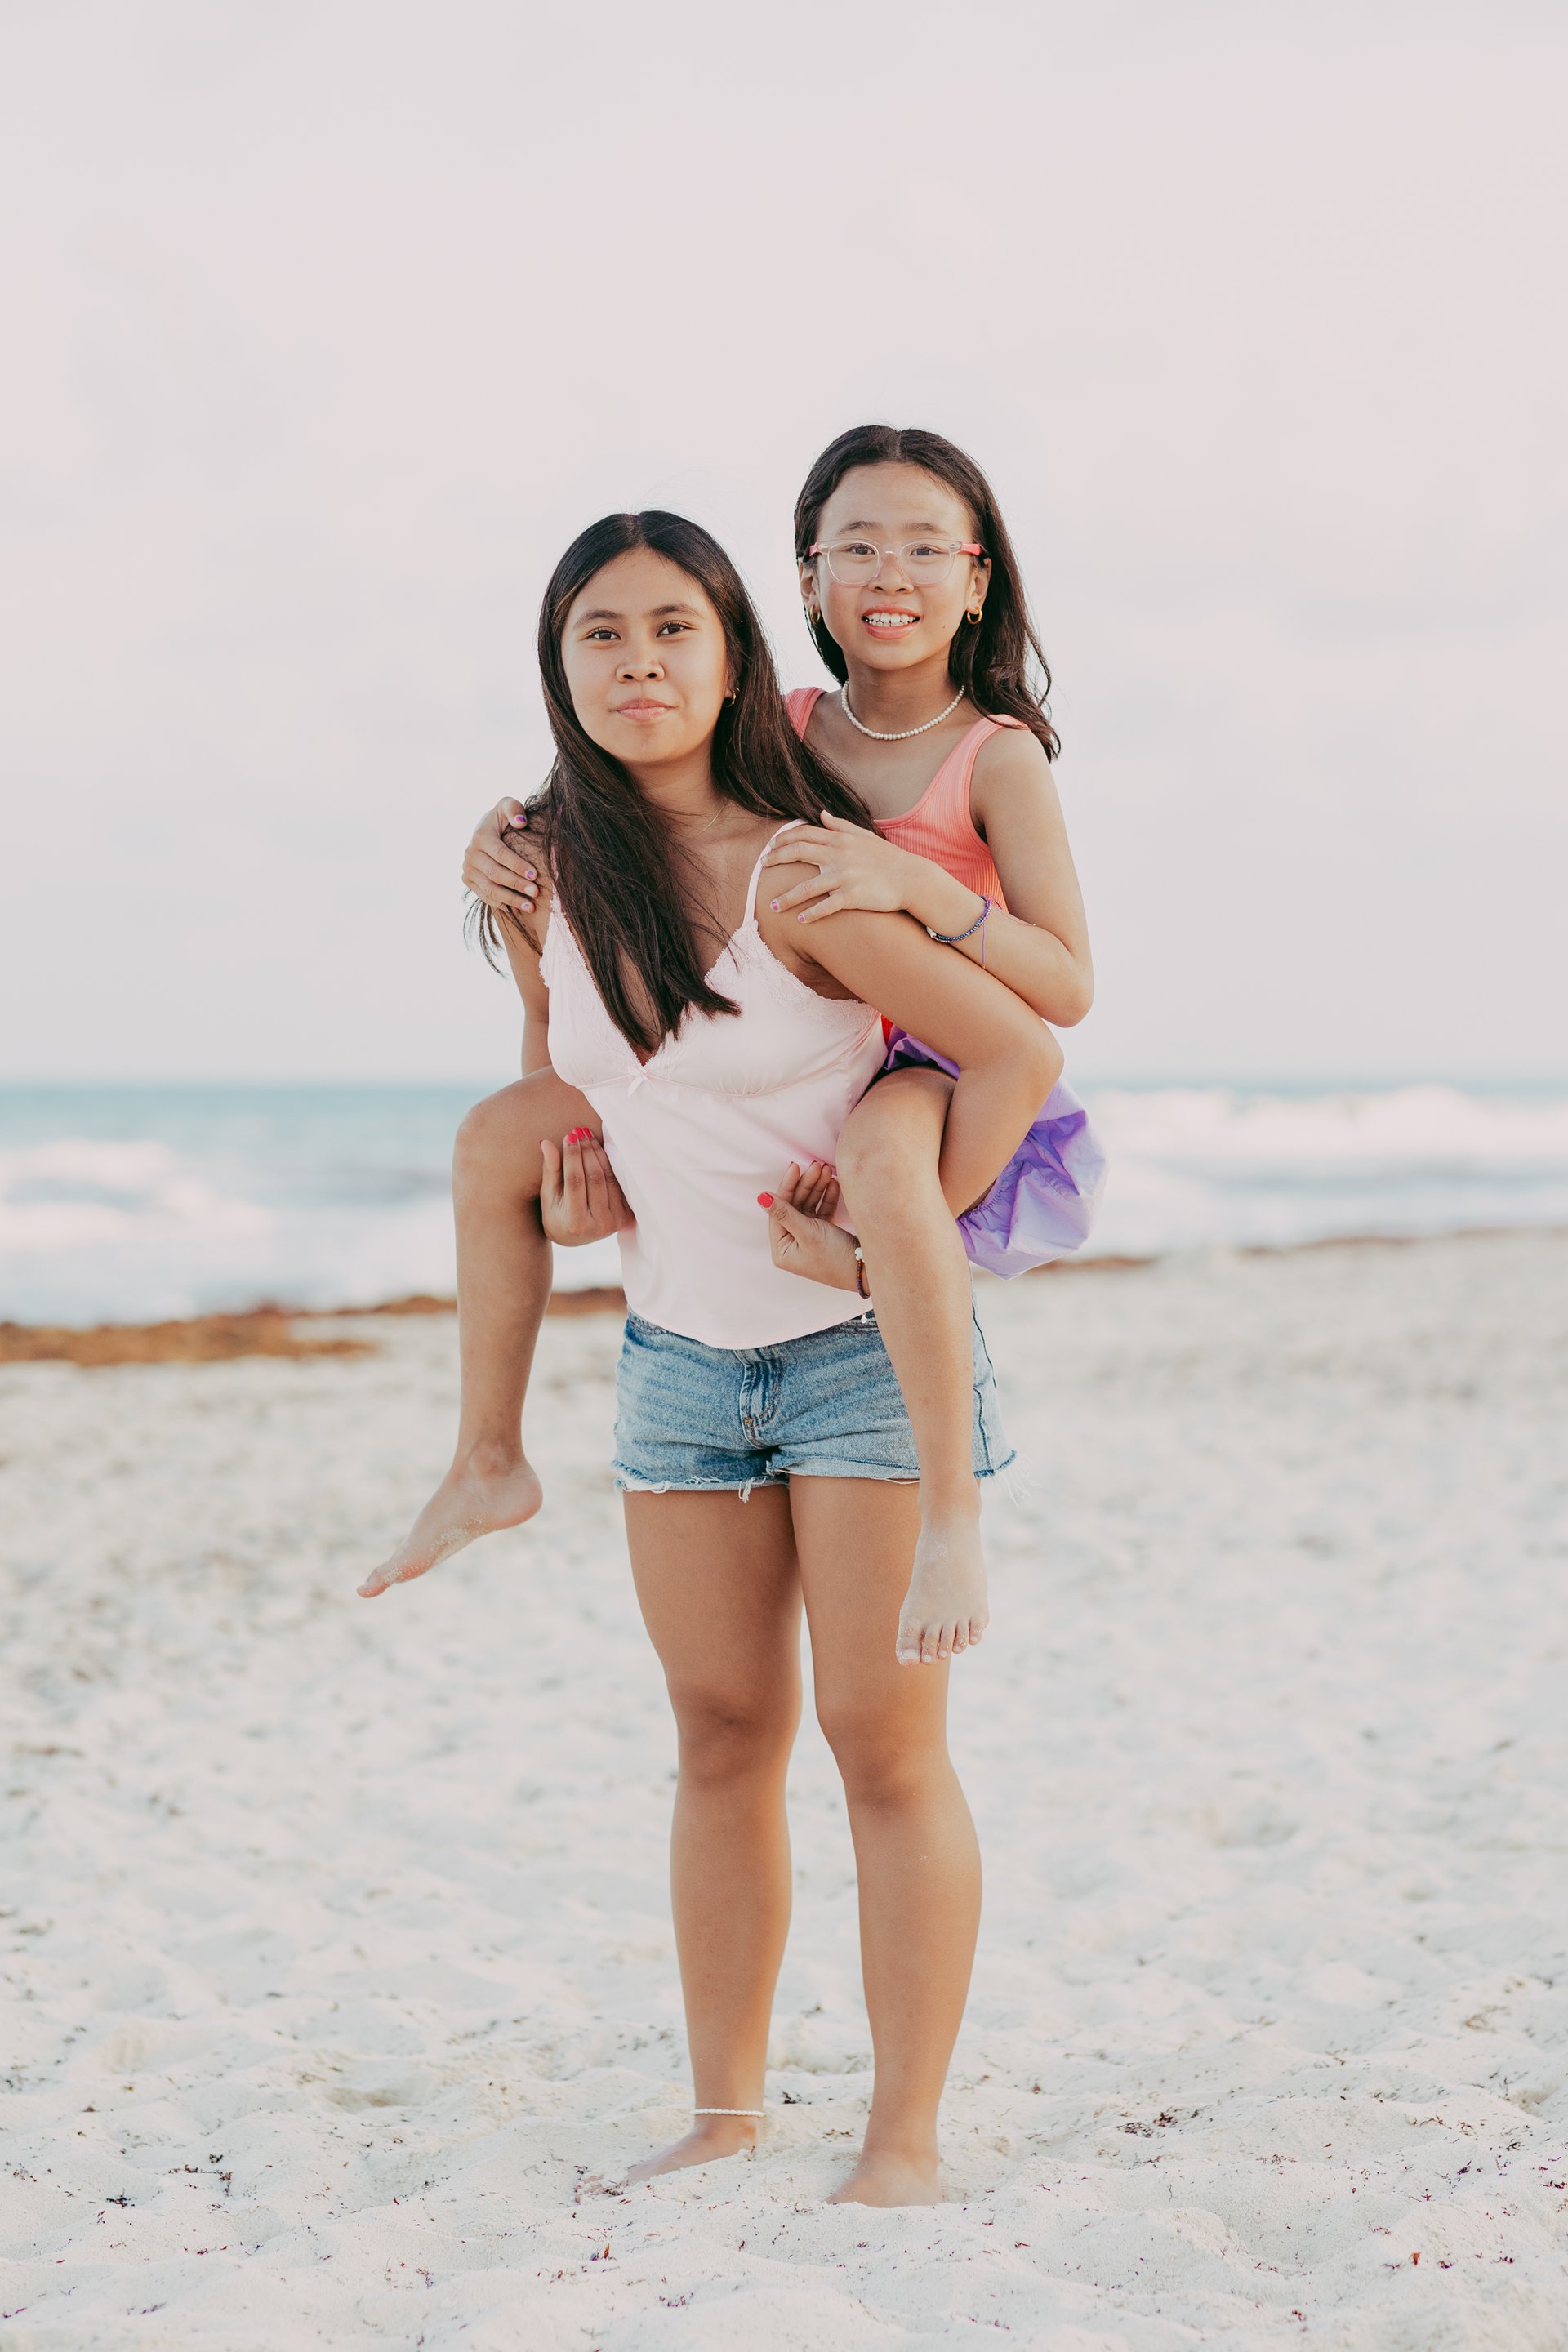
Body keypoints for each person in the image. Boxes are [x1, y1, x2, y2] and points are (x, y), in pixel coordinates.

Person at [363, 510, 1058, 2204]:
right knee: (722, 1739)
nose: (639, 664)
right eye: (600, 636)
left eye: (674, 629)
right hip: (679, 1363)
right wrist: (583, 1190)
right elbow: (582, 1082)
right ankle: (724, 2116)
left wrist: (908, 1232)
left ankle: (902, 2143)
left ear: (737, 651)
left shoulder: (803, 870)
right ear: (559, 670)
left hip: (856, 1364)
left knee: (882, 1752)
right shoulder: (546, 871)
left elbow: (1016, 1052)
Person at [447, 425, 1102, 1662]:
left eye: (925, 547)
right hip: (825, 1046)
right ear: (804, 580)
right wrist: (514, 829)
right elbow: (658, 763)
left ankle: (951, 1502)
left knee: (885, 1167)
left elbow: (1062, 993)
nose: (889, 573)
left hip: (937, 1061)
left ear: (978, 580)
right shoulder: (790, 724)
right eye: (857, 546)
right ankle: (484, 1452)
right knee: (493, 1138)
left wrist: (917, 890)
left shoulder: (995, 755)